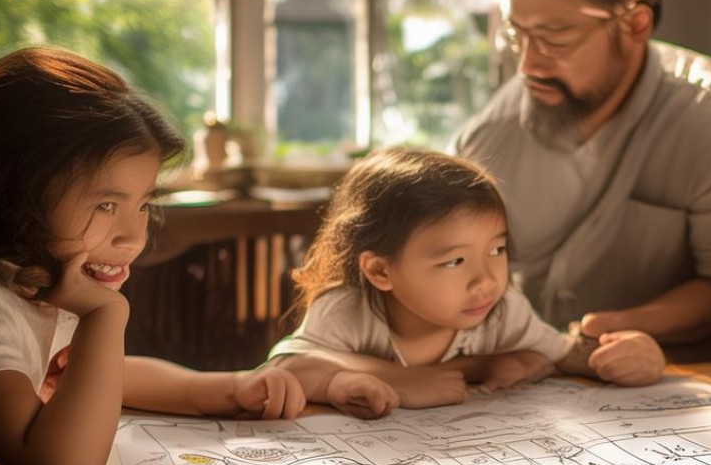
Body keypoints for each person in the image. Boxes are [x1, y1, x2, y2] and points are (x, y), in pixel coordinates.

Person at [0, 48, 306, 465]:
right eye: (106, 205)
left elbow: (100, 375)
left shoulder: (32, 278)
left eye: (143, 204)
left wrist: (230, 387)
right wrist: (105, 315)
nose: (133, 235)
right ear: (10, 199)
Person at [452, 0, 711, 358]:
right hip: (526, 377)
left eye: (556, 36)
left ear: (635, 24)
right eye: (515, 33)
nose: (528, 64)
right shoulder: (488, 136)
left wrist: (614, 330)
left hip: (680, 384)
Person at [266, 147, 665, 414]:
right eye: (456, 260)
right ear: (380, 271)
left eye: (496, 250)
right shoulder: (349, 309)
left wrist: (634, 356)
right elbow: (285, 366)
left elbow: (565, 353)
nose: (486, 279)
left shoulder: (502, 309)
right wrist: (403, 381)